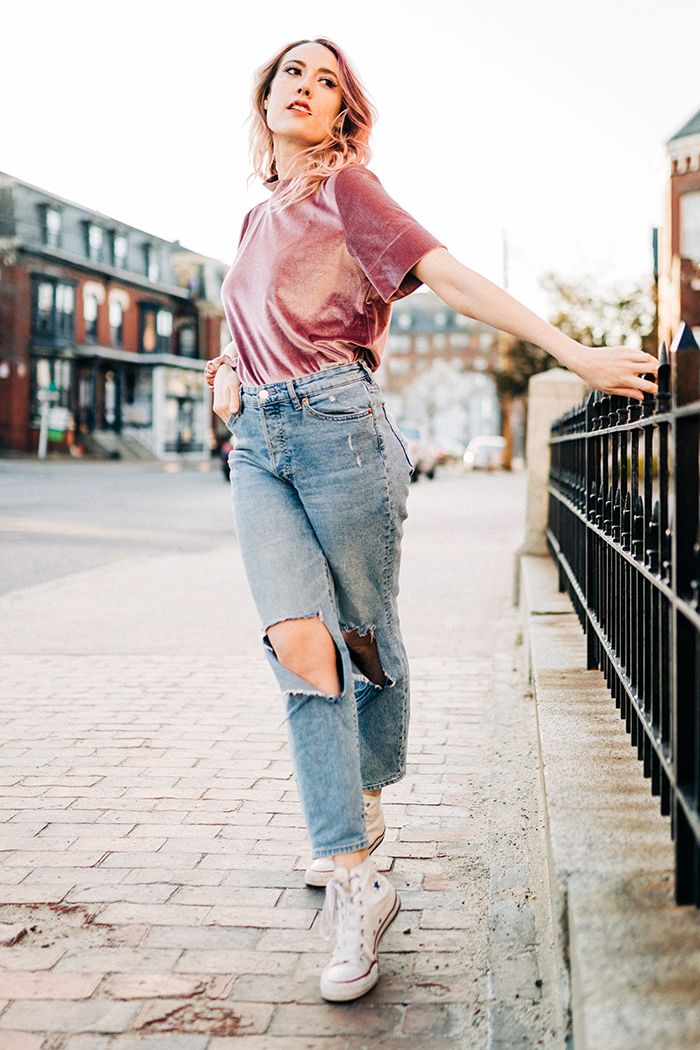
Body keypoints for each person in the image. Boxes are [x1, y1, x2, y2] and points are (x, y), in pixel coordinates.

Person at [205, 37, 658, 1003]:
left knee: (366, 642)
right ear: (268, 94)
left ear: (341, 116)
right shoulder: (252, 217)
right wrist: (223, 376)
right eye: (294, 72)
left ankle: (363, 806)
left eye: (327, 82)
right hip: (258, 450)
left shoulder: (351, 194)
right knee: (300, 643)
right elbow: (242, 328)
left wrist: (571, 352)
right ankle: (356, 876)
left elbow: (448, 275)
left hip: (341, 433)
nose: (306, 87)